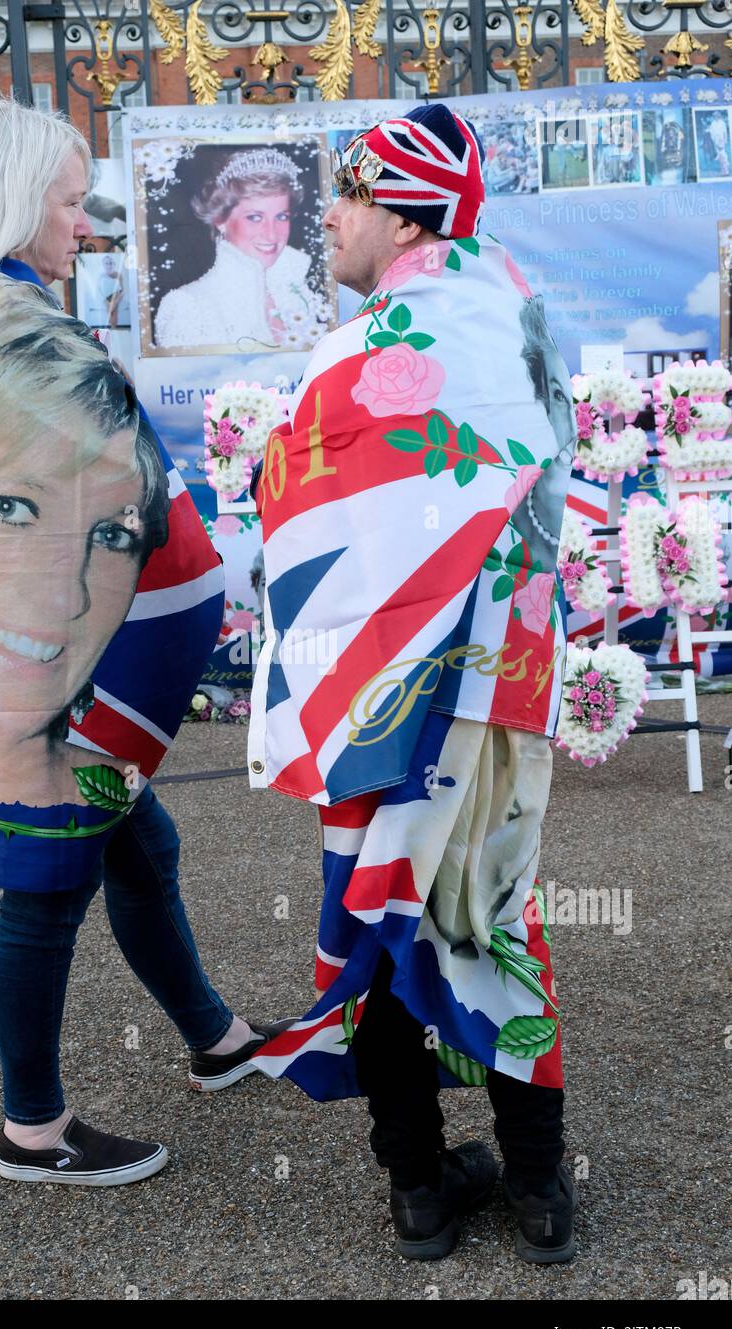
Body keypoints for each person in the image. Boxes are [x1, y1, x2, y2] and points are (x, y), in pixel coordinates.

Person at [0, 86, 288, 1191]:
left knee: (137, 845)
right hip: (46, 659)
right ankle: (33, 1134)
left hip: (43, 650)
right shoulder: (8, 328)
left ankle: (212, 1038)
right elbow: (109, 490)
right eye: (71, 202)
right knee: (48, 879)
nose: (87, 224)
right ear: (20, 204)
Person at [247, 104, 578, 1264]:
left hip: (379, 697)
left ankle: (420, 1188)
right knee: (492, 909)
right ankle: (539, 1189)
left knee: (375, 913)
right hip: (493, 687)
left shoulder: (368, 347)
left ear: (396, 210)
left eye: (343, 198)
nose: (324, 221)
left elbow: (289, 511)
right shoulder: (514, 314)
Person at [153, 146, 329, 352]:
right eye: (255, 217)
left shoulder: (299, 291)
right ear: (220, 219)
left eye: (282, 217)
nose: (271, 234)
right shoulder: (185, 306)